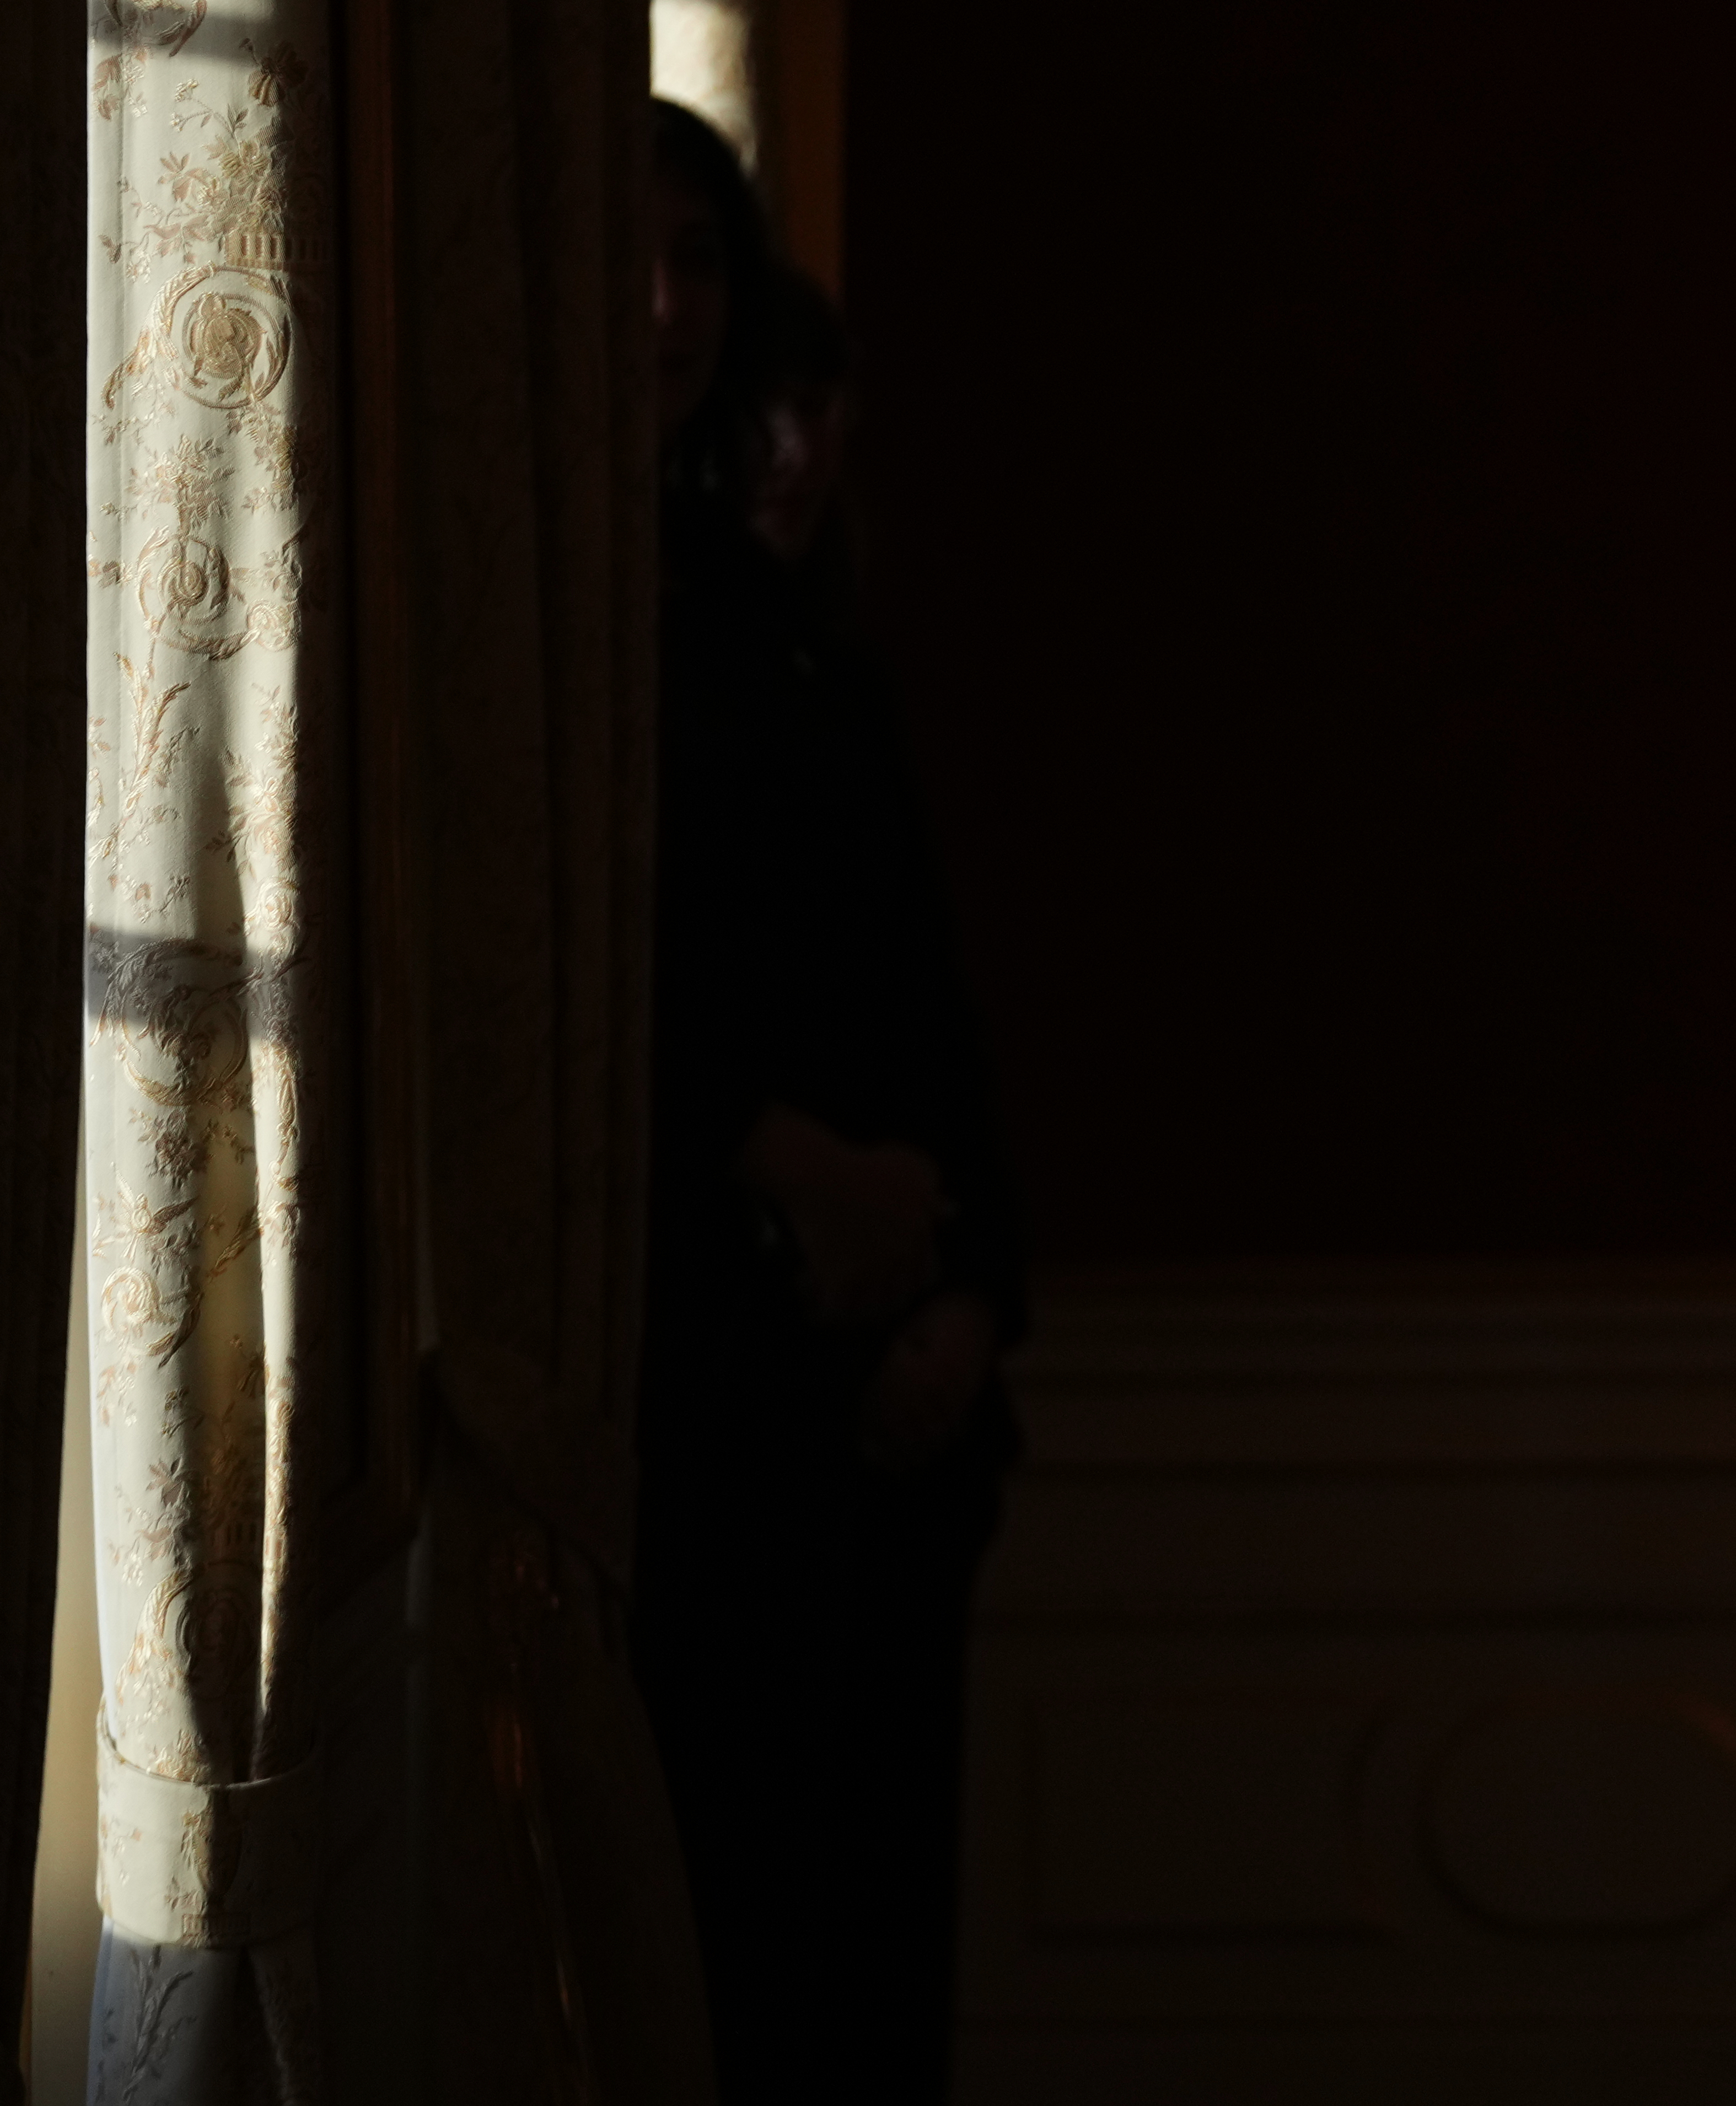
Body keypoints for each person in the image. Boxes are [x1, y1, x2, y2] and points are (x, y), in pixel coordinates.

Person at [636, 100, 1025, 2104]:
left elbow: (932, 1009)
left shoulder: (787, 636)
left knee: (868, 1972)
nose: (668, 305)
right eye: (635, 257)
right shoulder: (585, 630)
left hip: (885, 1407)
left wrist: (959, 1292)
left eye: (701, 259)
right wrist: (779, 1167)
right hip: (707, 1402)